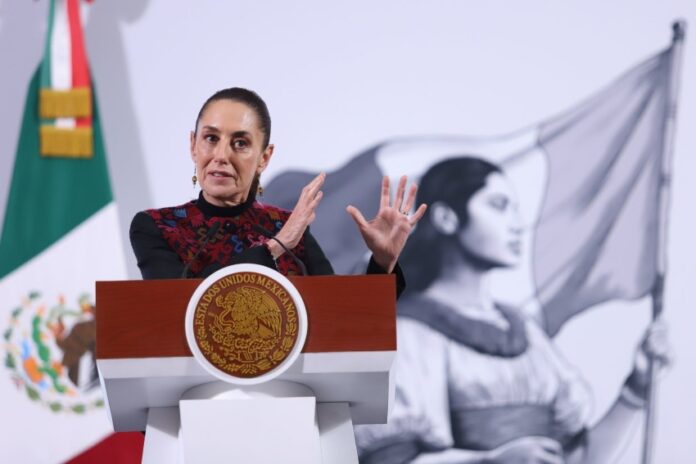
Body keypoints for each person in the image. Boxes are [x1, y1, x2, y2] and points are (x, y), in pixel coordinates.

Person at [354, 157, 671, 464]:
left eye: (516, 210)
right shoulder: (409, 333)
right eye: (499, 206)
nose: (518, 225)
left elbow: (576, 457)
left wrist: (636, 388)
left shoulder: (526, 333)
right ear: (447, 218)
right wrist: (489, 461)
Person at [130, 87, 426, 287]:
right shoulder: (156, 227)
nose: (221, 155)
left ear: (264, 158)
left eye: (241, 143)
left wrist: (382, 264)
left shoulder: (288, 226)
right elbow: (177, 305)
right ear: (193, 145)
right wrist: (275, 246)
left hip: (290, 382)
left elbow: (345, 317)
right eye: (210, 138)